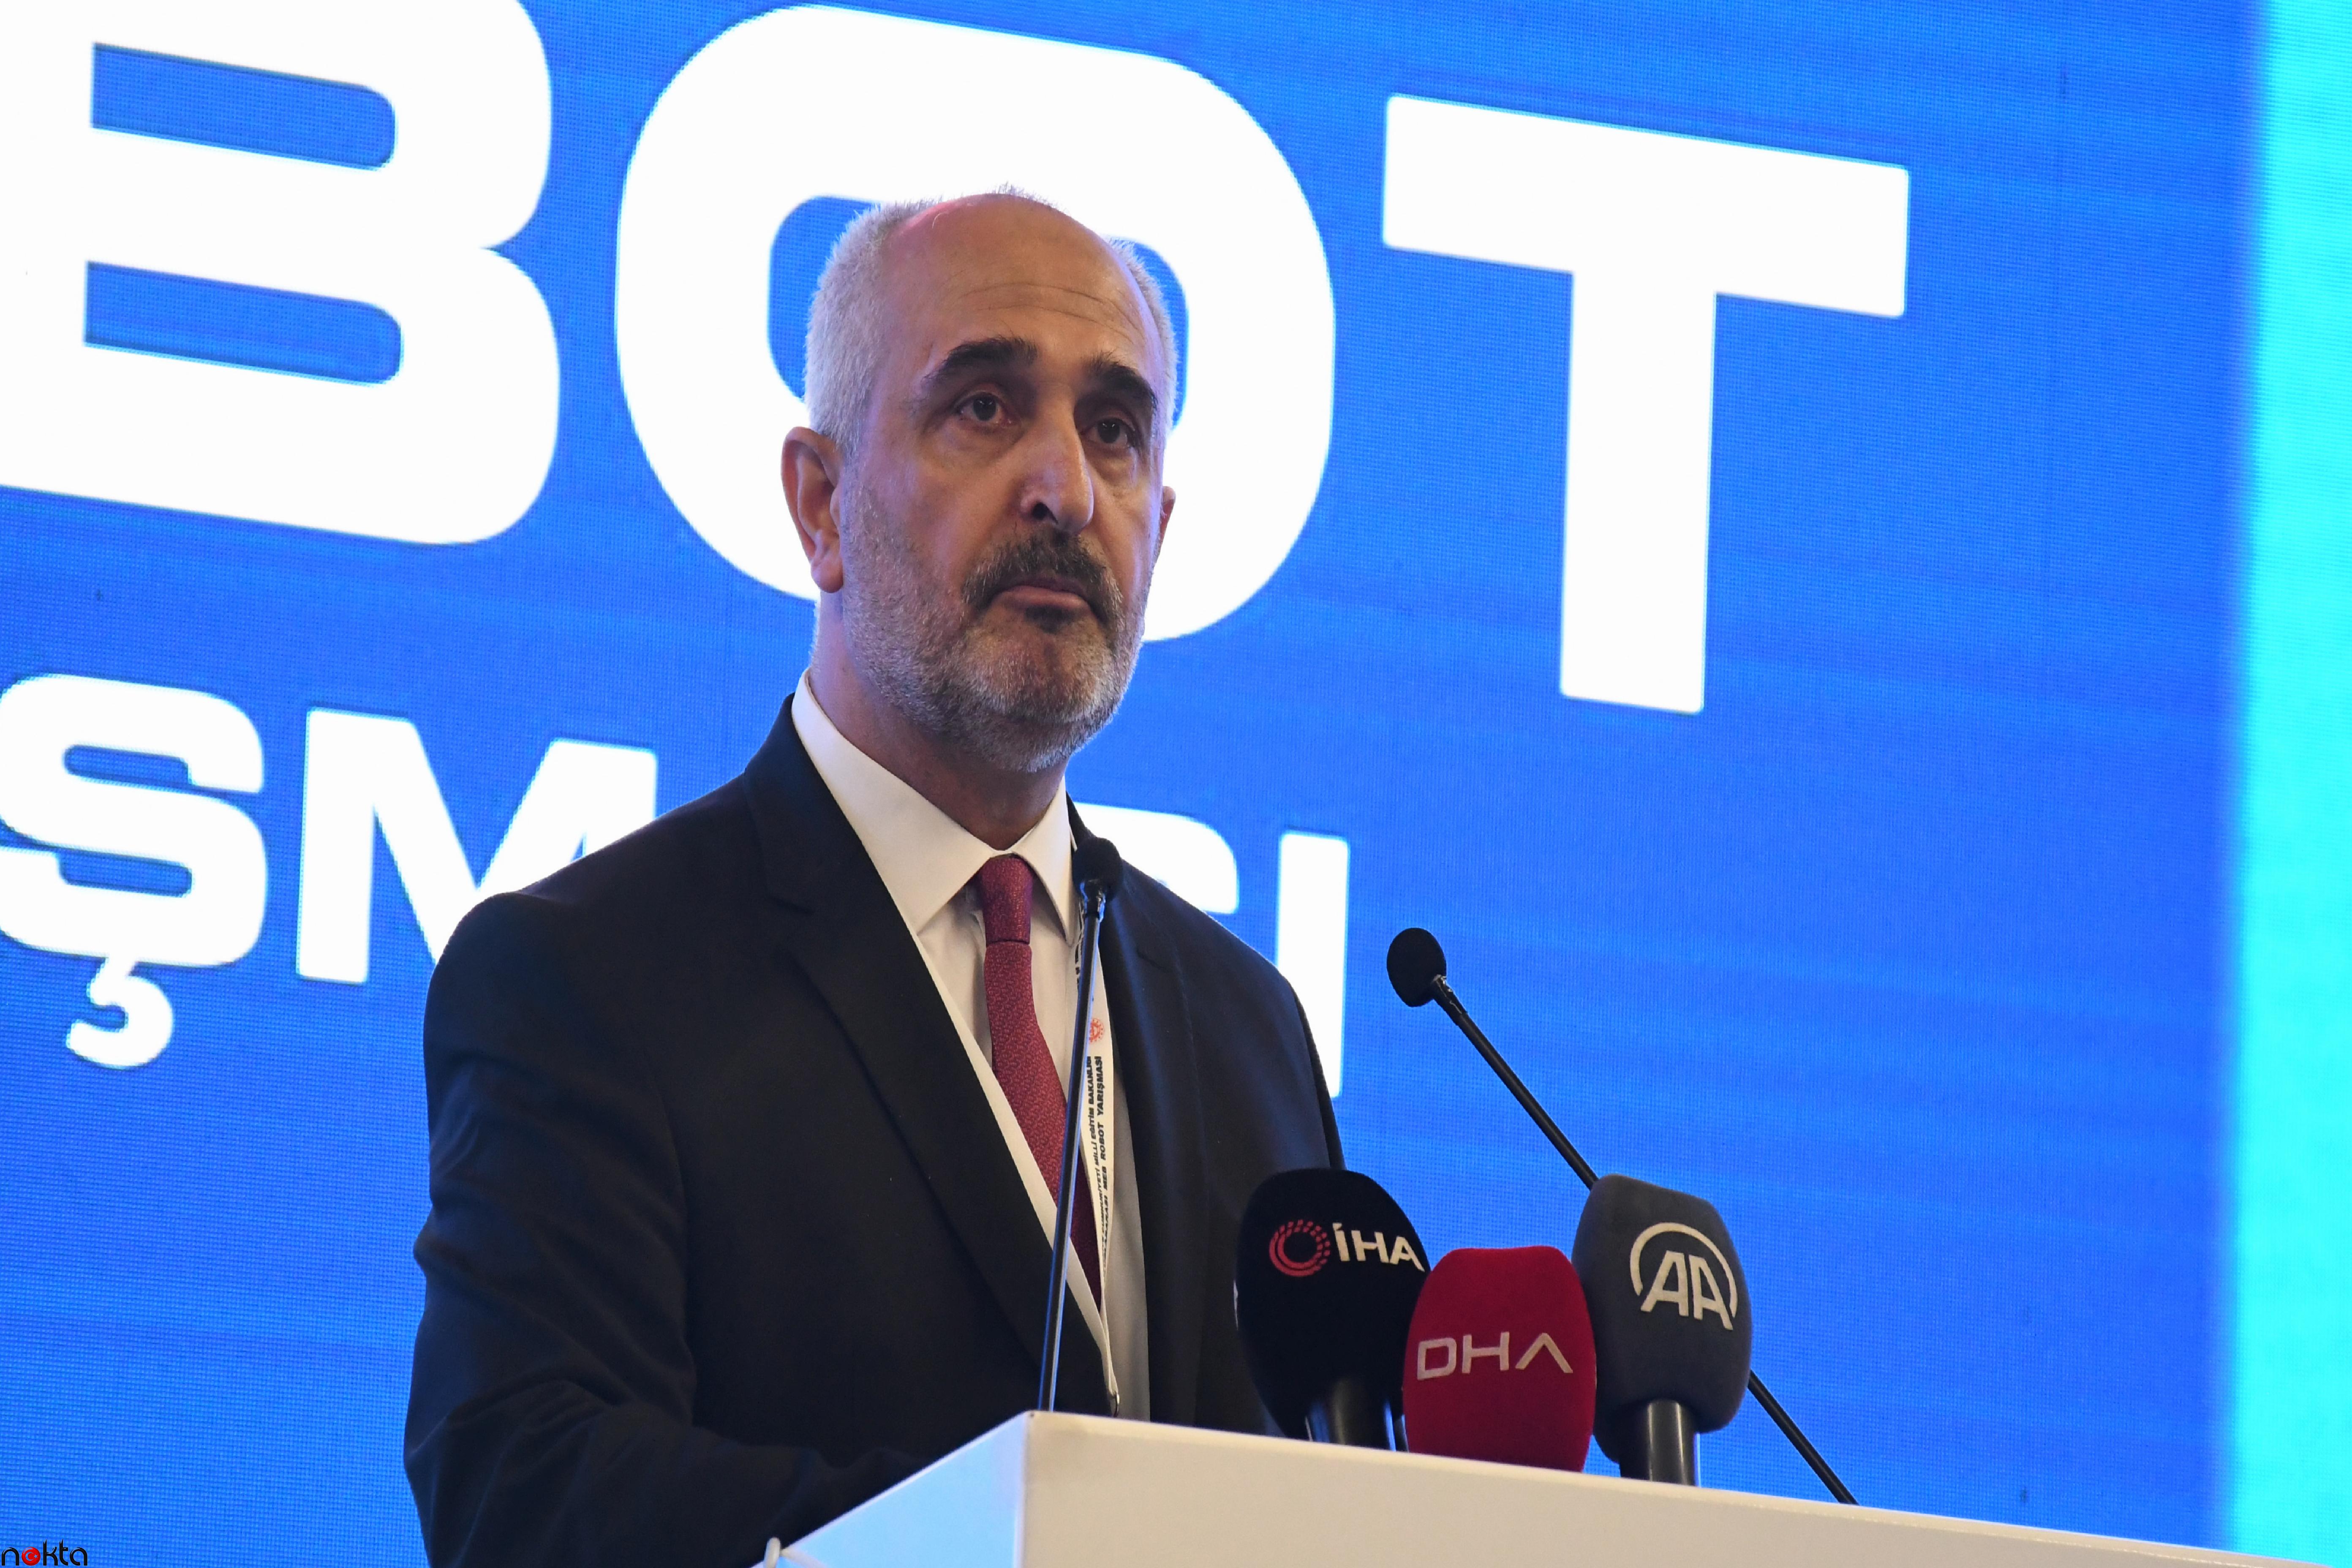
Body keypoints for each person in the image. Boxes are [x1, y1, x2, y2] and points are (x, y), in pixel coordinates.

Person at [403, 192, 1341, 1566]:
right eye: (983, 407)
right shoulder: (593, 978)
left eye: (1116, 430)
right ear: (820, 504)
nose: (1067, 489)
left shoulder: (1248, 1027)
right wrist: (1009, 1543)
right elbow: (524, 1490)